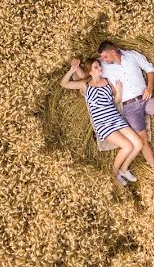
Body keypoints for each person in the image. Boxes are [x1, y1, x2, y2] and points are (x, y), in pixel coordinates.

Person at [60, 58, 143, 187]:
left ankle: (124, 169)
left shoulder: (108, 82)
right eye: (96, 67)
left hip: (116, 118)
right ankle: (114, 173)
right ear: (90, 72)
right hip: (103, 123)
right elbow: (64, 83)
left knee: (138, 144)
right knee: (127, 146)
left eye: (99, 66)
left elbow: (116, 100)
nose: (100, 68)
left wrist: (119, 91)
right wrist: (72, 70)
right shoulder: (85, 85)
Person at [97, 40, 154, 173]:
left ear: (113, 51)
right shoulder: (104, 67)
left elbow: (149, 69)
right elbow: (90, 72)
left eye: (105, 56)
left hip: (145, 97)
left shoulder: (132, 55)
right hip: (130, 107)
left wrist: (149, 88)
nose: (103, 60)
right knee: (142, 140)